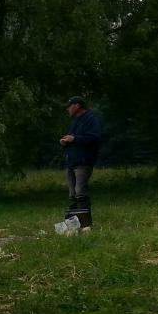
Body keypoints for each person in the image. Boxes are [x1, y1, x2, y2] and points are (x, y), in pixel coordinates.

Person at [60, 95, 103, 229]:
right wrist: (65, 142)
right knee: (72, 195)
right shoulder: (75, 121)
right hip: (71, 162)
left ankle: (86, 225)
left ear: (77, 106)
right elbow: (73, 139)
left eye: (69, 106)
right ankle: (72, 225)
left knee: (80, 193)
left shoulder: (91, 120)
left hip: (83, 162)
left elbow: (94, 138)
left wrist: (74, 139)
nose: (67, 109)